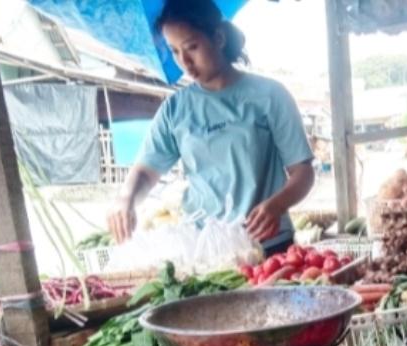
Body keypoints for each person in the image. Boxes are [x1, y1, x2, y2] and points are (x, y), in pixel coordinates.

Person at [107, 0, 314, 255]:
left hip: (270, 246)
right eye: (174, 51)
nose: (185, 61)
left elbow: (302, 172)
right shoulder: (175, 109)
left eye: (191, 47)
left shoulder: (269, 95)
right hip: (207, 250)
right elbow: (145, 172)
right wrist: (126, 199)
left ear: (218, 38)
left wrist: (277, 205)